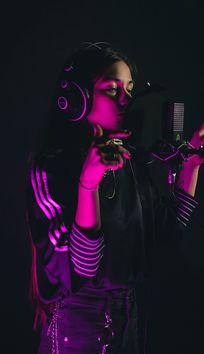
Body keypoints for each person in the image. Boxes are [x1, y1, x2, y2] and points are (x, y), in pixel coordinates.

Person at [26, 42, 204, 354]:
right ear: (78, 99)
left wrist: (192, 165)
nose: (127, 99)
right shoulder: (50, 168)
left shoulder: (128, 160)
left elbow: (168, 231)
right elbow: (83, 267)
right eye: (112, 89)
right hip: (80, 328)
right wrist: (88, 185)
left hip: (131, 322)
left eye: (130, 89)